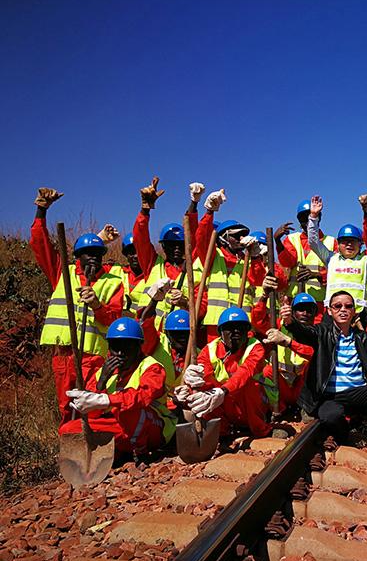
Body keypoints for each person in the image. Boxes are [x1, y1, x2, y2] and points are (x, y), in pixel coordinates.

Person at [31, 188, 125, 419]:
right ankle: (69, 446)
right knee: (66, 408)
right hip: (63, 355)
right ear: (77, 257)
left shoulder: (113, 282)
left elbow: (114, 319)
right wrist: (41, 211)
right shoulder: (62, 273)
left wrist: (97, 306)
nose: (92, 257)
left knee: (91, 409)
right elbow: (40, 244)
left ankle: (92, 442)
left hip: (93, 357)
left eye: (97, 252)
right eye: (87, 253)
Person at [274, 290, 367, 457]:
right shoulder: (322, 333)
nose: (343, 310)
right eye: (337, 306)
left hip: (358, 392)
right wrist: (290, 321)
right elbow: (305, 333)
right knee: (330, 417)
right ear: (329, 310)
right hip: (332, 395)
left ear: (354, 311)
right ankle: (344, 435)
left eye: (348, 306)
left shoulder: (363, 338)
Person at [64, 317, 173, 456]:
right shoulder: (105, 371)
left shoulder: (152, 368)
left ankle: (139, 452)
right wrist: (102, 381)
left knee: (127, 409)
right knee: (68, 429)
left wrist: (106, 400)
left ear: (139, 346)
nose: (120, 354)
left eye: (127, 347)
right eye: (116, 347)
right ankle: (115, 450)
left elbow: (142, 397)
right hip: (120, 427)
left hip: (153, 429)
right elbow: (92, 414)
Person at [180, 307, 272, 437]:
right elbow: (203, 375)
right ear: (221, 332)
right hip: (229, 403)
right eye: (230, 328)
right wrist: (192, 381)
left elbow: (245, 372)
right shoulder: (210, 350)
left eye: (240, 328)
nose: (235, 332)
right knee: (206, 394)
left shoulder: (255, 347)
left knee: (250, 385)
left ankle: (261, 429)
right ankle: (221, 432)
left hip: (255, 403)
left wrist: (222, 391)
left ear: (247, 331)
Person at [193, 190, 267, 341]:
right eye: (236, 235)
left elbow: (258, 280)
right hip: (217, 324)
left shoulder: (247, 260)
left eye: (243, 235)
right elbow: (202, 237)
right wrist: (209, 212)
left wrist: (255, 256)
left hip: (243, 323)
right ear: (223, 238)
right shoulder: (213, 257)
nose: (241, 238)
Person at [133, 180, 206, 329]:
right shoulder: (153, 264)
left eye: (180, 245)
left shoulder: (194, 272)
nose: (177, 249)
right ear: (164, 246)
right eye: (172, 245)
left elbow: (193, 232)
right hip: (151, 338)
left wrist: (185, 302)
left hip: (181, 339)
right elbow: (140, 239)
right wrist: (145, 210)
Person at [306, 196, 367, 318]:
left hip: (357, 315)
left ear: (360, 244)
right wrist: (313, 217)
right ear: (338, 244)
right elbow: (313, 242)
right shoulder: (331, 259)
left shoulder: (365, 262)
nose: (349, 244)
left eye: (353, 241)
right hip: (333, 315)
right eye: (345, 241)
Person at [253, 287, 317, 414]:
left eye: (309, 310)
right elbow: (258, 321)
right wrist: (264, 296)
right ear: (293, 312)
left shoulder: (318, 332)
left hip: (302, 389)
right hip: (282, 387)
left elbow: (312, 352)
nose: (305, 313)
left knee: (316, 369)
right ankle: (279, 410)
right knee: (266, 372)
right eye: (300, 309)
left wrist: (288, 342)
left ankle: (306, 408)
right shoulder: (279, 325)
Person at [275, 199, 335, 315]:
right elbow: (288, 262)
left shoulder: (331, 242)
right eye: (303, 218)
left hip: (319, 304)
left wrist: (317, 275)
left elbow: (337, 272)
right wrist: (278, 241)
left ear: (319, 218)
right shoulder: (292, 239)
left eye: (310, 217)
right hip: (295, 302)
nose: (307, 221)